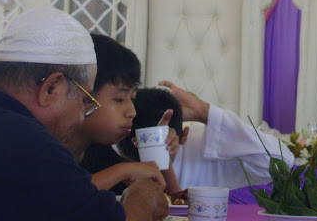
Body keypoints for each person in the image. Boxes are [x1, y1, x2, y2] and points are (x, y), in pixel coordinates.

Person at [0, 7, 168, 221]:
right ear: (51, 87)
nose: (82, 116)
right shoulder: (20, 139)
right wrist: (142, 196)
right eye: (85, 100)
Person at [118, 80, 295, 189]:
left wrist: (203, 112)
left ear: (184, 136)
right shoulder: (112, 144)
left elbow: (282, 164)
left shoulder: (209, 140)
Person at [67, 34, 181, 195]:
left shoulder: (99, 153)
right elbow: (61, 196)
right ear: (84, 96)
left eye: (132, 98)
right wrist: (122, 172)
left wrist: (160, 154)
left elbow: (168, 202)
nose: (132, 112)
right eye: (119, 99)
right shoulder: (44, 148)